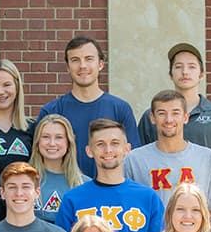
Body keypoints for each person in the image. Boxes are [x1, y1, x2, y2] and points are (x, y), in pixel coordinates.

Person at [56, 119, 164, 232]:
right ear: (89, 151)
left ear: (127, 149)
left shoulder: (148, 198)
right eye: (100, 144)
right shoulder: (73, 199)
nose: (108, 150)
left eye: (115, 143)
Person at [124, 90, 211, 232]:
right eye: (162, 113)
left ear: (186, 117)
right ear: (152, 118)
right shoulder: (134, 160)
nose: (169, 119)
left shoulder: (207, 158)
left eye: (175, 113)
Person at [137, 43, 211, 192]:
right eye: (178, 67)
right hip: (162, 204)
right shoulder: (153, 116)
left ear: (202, 74)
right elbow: (138, 165)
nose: (185, 72)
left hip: (204, 205)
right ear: (171, 74)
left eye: (192, 67)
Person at [35, 36, 140, 178]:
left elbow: (132, 159)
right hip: (66, 192)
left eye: (89, 59)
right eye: (75, 60)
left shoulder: (120, 109)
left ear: (101, 64)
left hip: (109, 192)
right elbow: (38, 160)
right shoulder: (52, 111)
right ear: (67, 67)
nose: (82, 66)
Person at [28, 114, 89, 224]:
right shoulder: (24, 181)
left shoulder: (85, 185)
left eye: (59, 137)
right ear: (37, 142)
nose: (52, 143)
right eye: (45, 137)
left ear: (68, 142)